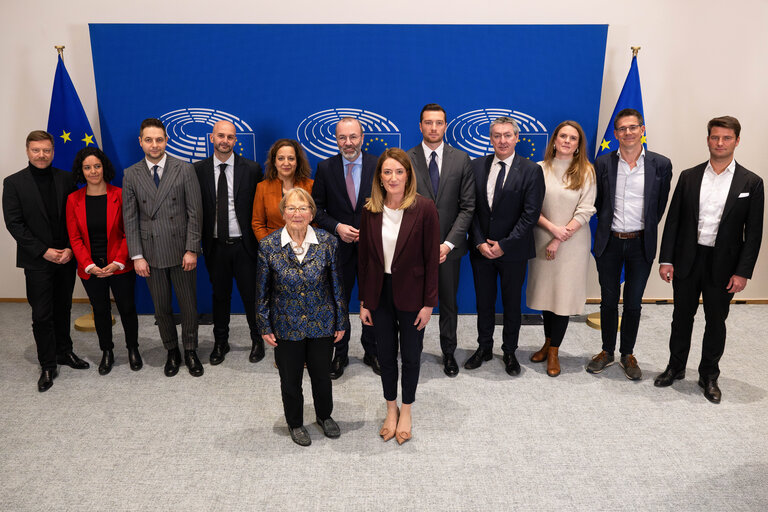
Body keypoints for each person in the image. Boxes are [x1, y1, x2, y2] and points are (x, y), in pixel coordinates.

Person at [656, 116, 763, 403]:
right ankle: (675, 367)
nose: (720, 143)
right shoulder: (689, 176)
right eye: (715, 137)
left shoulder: (751, 182)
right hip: (688, 260)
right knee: (681, 318)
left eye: (726, 138)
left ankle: (708, 375)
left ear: (736, 141)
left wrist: (743, 273)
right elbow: (673, 222)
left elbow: (753, 234)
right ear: (708, 140)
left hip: (724, 265)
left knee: (716, 321)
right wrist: (666, 259)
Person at [359, 147, 439, 445]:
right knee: (385, 355)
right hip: (379, 295)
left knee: (411, 355)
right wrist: (364, 301)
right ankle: (390, 409)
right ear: (379, 177)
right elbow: (365, 260)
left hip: (413, 296)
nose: (393, 177)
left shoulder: (425, 208)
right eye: (387, 172)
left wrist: (429, 302)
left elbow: (432, 260)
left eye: (399, 172)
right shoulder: (370, 210)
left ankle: (407, 410)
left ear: (408, 176)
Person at [256, 188, 347, 446]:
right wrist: (264, 324)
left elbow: (337, 286)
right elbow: (261, 292)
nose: (297, 213)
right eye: (292, 208)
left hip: (322, 321)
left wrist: (341, 321)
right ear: (283, 212)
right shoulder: (268, 246)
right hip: (286, 324)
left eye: (303, 208)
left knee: (321, 374)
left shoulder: (328, 242)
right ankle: (295, 422)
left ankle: (324, 416)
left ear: (311, 213)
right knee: (290, 378)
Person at [589, 108, 672, 380]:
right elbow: (598, 204)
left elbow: (658, 207)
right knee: (608, 300)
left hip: (640, 244)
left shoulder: (661, 164)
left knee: (633, 303)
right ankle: (606, 351)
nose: (628, 133)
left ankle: (627, 353)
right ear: (615, 134)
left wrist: (641, 230)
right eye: (622, 129)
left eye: (633, 127)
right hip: (610, 242)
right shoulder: (602, 164)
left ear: (642, 129)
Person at [2, 130, 87, 391]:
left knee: (63, 308)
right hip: (38, 260)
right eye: (36, 150)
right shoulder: (14, 183)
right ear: (27, 151)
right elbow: (14, 224)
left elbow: (75, 217)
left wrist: (71, 249)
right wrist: (44, 251)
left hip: (66, 256)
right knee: (41, 314)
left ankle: (64, 351)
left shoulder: (66, 179)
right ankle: (48, 364)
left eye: (46, 150)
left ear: (53, 151)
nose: (42, 155)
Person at [122, 118, 204, 378]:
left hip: (181, 250)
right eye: (149, 140)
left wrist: (192, 249)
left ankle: (190, 349)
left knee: (189, 305)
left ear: (167, 140)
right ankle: (172, 350)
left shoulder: (184, 169)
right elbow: (130, 218)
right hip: (150, 252)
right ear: (140, 142)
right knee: (161, 307)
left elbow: (195, 213)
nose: (154, 144)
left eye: (159, 139)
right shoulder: (130, 174)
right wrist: (136, 256)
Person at [464, 116, 545, 377]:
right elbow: (470, 210)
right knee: (483, 303)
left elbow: (530, 215)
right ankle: (484, 347)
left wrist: (504, 245)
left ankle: (509, 351)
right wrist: (478, 242)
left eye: (507, 135)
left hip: (513, 252)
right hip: (481, 252)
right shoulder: (476, 167)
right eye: (497, 135)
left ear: (517, 138)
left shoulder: (531, 170)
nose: (502, 140)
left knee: (511, 304)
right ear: (490, 139)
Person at [406, 104, 475, 377]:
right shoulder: (406, 159)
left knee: (448, 303)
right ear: (420, 126)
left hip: (449, 249)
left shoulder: (461, 159)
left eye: (439, 123)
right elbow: (400, 205)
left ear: (446, 126)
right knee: (413, 303)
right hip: (413, 251)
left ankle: (449, 353)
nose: (433, 128)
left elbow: (468, 207)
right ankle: (413, 354)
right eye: (428, 122)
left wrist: (447, 245)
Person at [526, 121, 596, 377]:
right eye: (562, 136)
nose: (567, 141)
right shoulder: (538, 169)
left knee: (563, 297)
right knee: (547, 294)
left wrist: (560, 237)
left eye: (573, 138)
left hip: (572, 245)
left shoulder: (586, 171)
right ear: (554, 140)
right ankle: (546, 342)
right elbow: (531, 207)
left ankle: (554, 350)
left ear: (578, 145)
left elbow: (586, 209)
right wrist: (552, 231)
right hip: (542, 238)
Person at [313, 117, 379, 379]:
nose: (348, 143)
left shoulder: (379, 165)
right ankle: (339, 355)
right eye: (342, 138)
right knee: (338, 304)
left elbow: (391, 204)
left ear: (362, 137)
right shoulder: (325, 168)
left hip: (373, 250)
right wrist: (338, 227)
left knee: (372, 301)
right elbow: (316, 209)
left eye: (353, 137)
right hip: (339, 250)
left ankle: (371, 350)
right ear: (336, 140)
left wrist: (372, 230)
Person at [194, 120, 265, 366]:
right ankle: (220, 342)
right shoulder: (198, 170)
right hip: (215, 246)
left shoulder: (252, 169)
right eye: (221, 136)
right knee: (220, 296)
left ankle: (257, 340)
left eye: (231, 137)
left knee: (250, 296)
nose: (225, 140)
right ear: (211, 138)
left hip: (244, 246)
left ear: (236, 141)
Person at [66, 147, 141, 375]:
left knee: (127, 308)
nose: (93, 171)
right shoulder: (73, 200)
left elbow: (131, 231)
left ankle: (133, 348)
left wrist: (118, 261)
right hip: (91, 269)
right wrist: (90, 265)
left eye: (96, 166)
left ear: (104, 167)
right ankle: (106, 351)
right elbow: (74, 237)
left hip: (120, 265)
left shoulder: (120, 194)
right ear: (81, 171)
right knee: (100, 310)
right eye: (87, 167)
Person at [251, 139, 313, 241]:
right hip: (273, 247)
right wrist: (269, 247)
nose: (286, 163)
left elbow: (316, 220)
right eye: (281, 158)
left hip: (305, 246)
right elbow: (258, 224)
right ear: (274, 162)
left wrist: (306, 244)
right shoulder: (262, 187)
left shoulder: (310, 186)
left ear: (297, 161)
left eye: (291, 158)